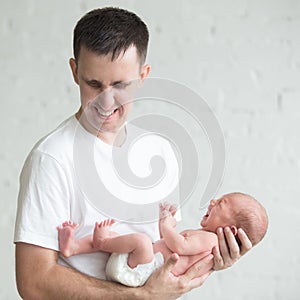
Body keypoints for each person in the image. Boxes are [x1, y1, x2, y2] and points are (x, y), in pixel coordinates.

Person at [14, 7, 253, 300]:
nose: (106, 101)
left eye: (120, 85)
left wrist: (212, 257)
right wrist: (142, 297)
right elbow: (34, 282)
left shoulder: (160, 153)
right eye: (93, 84)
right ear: (75, 72)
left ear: (143, 76)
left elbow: (166, 267)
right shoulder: (51, 159)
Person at [57, 192, 267, 287]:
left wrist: (167, 226)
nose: (213, 201)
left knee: (140, 241)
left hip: (141, 273)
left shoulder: (211, 241)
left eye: (221, 203)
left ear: (229, 230)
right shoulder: (204, 238)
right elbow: (166, 243)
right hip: (141, 266)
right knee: (125, 239)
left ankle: (101, 242)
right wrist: (165, 222)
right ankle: (73, 248)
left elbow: (180, 245)